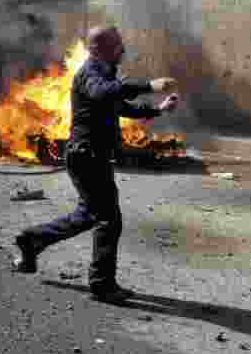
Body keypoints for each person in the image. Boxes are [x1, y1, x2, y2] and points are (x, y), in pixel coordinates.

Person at [12, 25, 180, 303]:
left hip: (92, 157)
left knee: (88, 216)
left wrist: (158, 109)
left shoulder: (105, 75)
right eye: (117, 47)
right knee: (108, 220)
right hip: (86, 156)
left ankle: (32, 240)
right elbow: (104, 93)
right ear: (100, 50)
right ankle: (102, 284)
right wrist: (149, 86)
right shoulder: (90, 74)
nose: (122, 51)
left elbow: (122, 107)